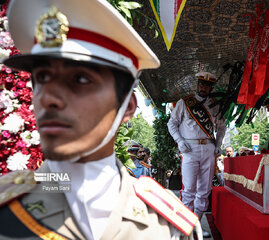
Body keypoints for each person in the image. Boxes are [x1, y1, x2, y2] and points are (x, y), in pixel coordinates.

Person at [0, 0, 200, 239]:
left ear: (127, 107)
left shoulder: (167, 227)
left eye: (81, 79)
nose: (48, 98)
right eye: (42, 77)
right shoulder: (7, 210)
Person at [167, 71, 226, 238]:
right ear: (197, 85)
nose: (203, 88)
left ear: (210, 88)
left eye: (207, 86)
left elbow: (221, 128)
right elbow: (172, 123)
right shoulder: (184, 103)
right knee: (188, 191)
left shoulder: (215, 105)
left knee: (204, 190)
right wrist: (179, 140)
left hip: (208, 148)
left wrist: (219, 144)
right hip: (189, 149)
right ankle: (185, 227)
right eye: (201, 85)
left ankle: (196, 226)